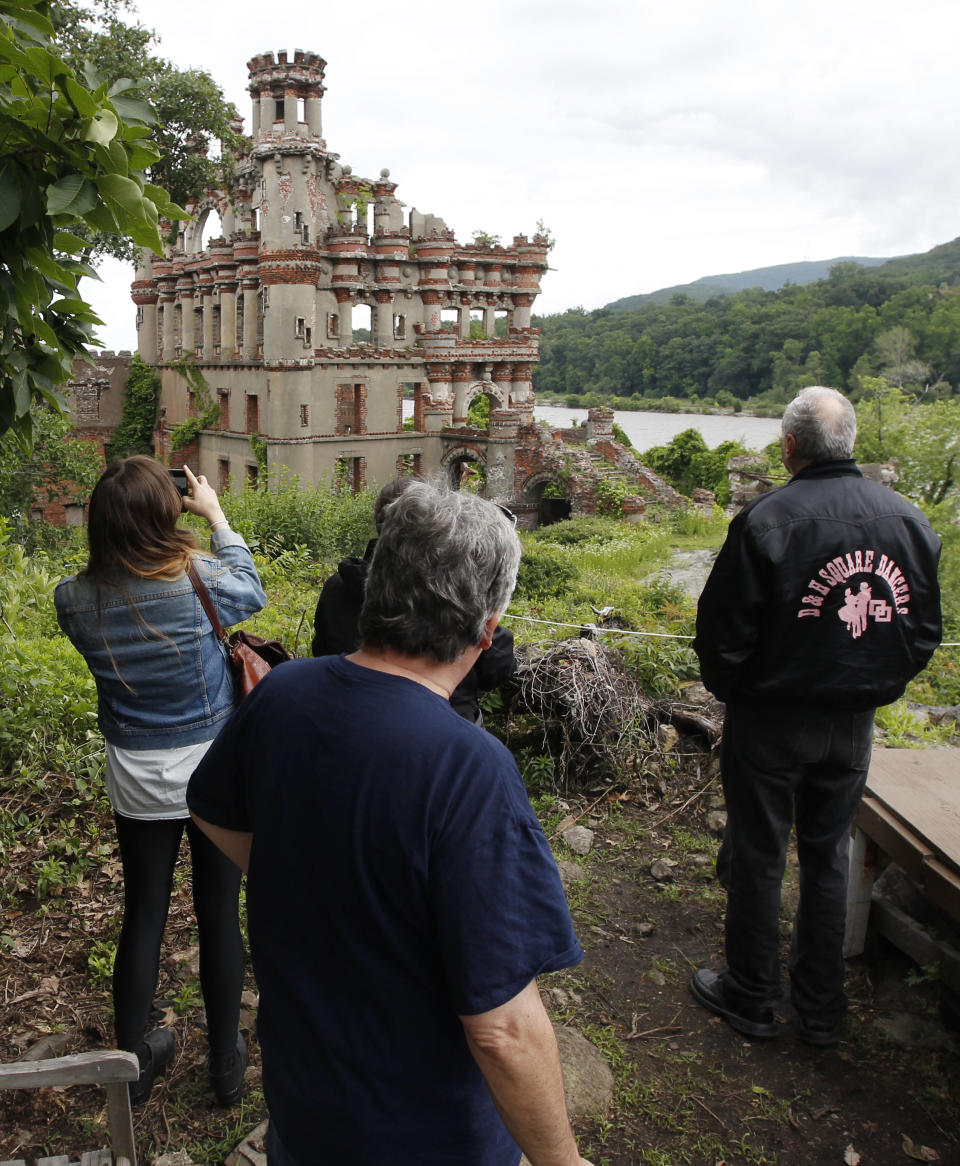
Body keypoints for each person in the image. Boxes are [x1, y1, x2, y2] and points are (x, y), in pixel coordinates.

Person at [188, 482, 591, 1166]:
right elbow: (502, 1030)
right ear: (486, 631)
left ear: (377, 588)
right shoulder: (468, 768)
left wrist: (303, 875)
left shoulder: (284, 693)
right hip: (425, 1135)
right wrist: (563, 1162)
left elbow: (208, 806)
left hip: (304, 1106)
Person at [690, 386, 942, 1046]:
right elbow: (923, 631)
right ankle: (821, 1009)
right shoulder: (908, 521)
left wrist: (741, 690)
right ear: (850, 442)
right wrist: (874, 682)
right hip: (853, 721)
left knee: (759, 853)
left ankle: (750, 996)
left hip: (771, 718)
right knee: (827, 856)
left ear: (790, 446)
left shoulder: (767, 520)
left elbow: (720, 634)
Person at [55, 457, 266, 1106]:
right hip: (212, 772)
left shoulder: (74, 598)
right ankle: (226, 1065)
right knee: (216, 913)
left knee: (144, 912)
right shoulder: (197, 578)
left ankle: (133, 1068)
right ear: (164, 512)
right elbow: (250, 588)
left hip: (139, 776)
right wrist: (214, 512)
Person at [311, 478, 516, 723]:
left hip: (343, 711)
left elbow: (322, 650)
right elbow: (497, 669)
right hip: (445, 719)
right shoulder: (440, 589)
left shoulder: (337, 585)